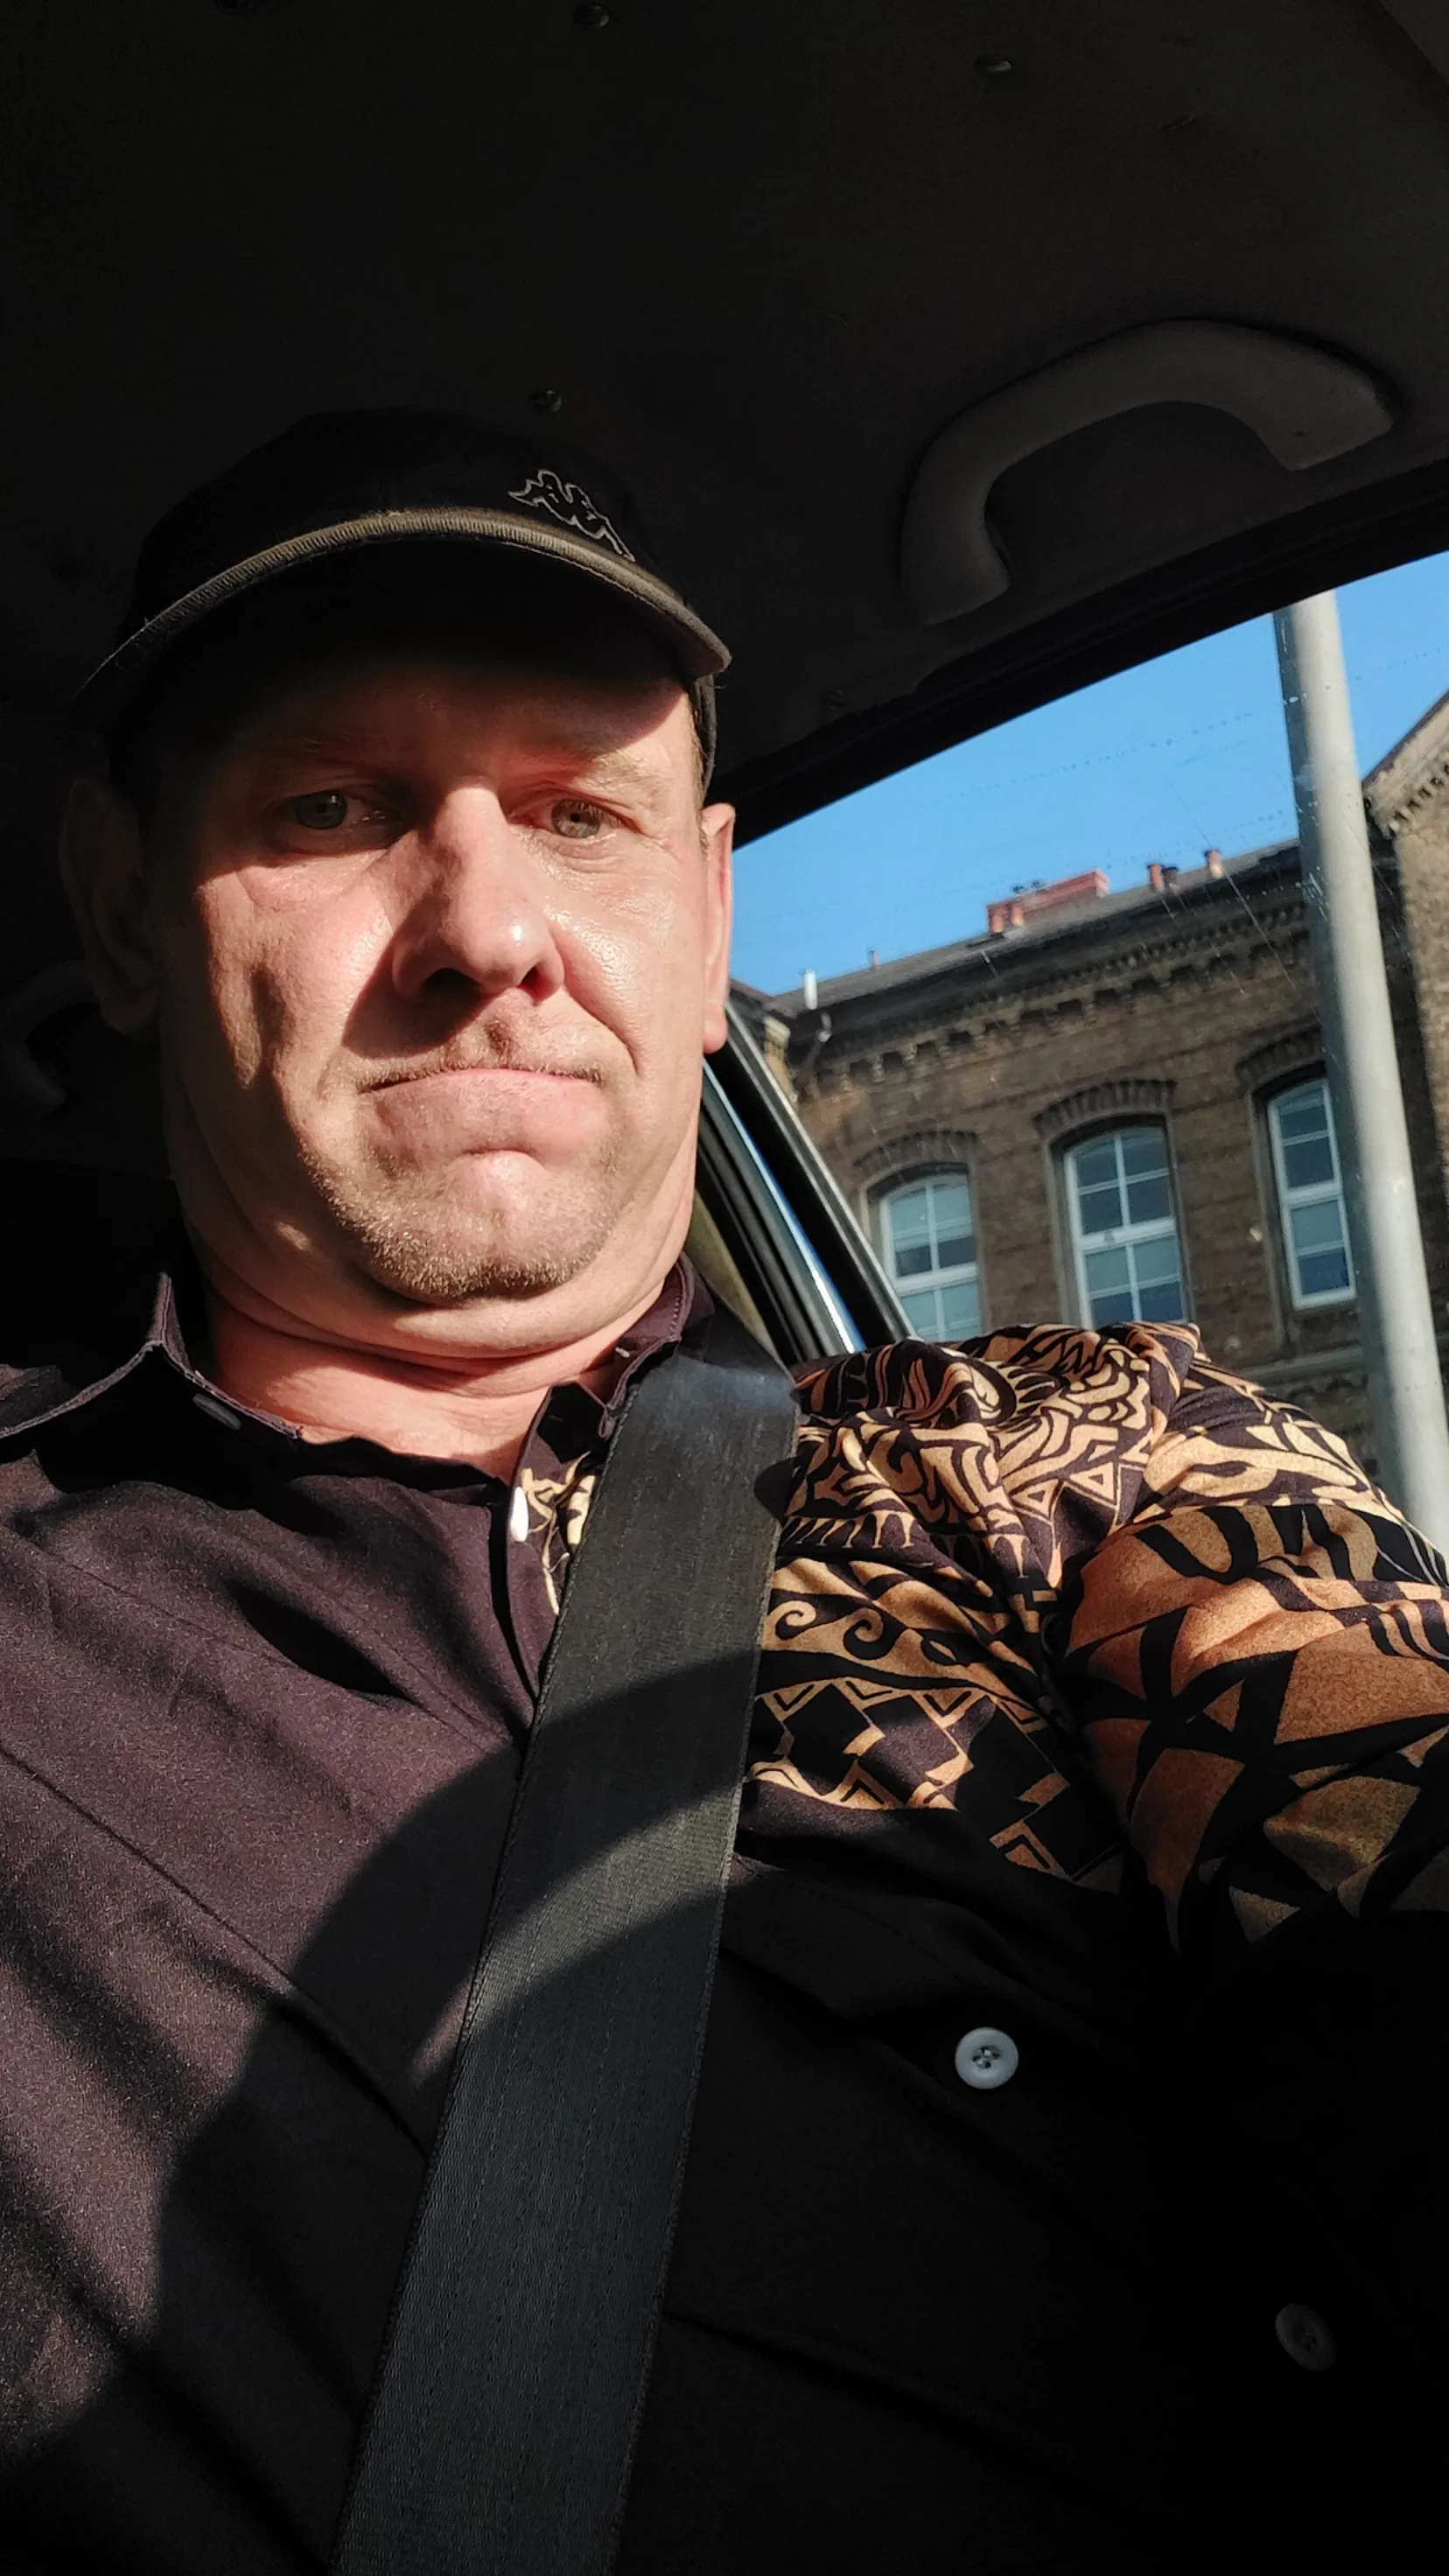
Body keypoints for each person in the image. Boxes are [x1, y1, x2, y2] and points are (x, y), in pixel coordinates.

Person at [0, 407, 1446, 2575]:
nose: (487, 927)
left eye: (579, 814)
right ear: (126, 910)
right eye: (332, 806)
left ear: (703, 912)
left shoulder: (1064, 1458)